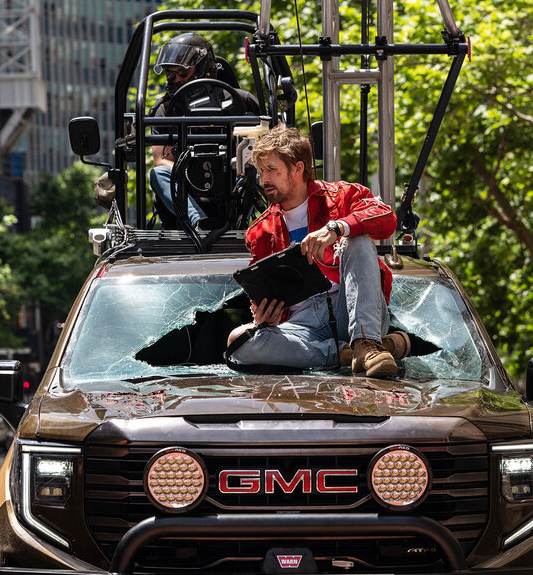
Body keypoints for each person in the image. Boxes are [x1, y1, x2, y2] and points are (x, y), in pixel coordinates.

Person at [227, 124, 408, 379]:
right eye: (260, 171)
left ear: (298, 169)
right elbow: (267, 295)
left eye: (271, 170)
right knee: (239, 342)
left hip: (353, 310)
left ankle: (366, 343)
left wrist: (338, 228)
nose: (263, 179)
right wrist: (265, 315)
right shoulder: (259, 230)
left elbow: (386, 218)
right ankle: (348, 353)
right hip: (302, 326)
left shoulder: (343, 196)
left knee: (358, 241)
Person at [148, 33, 261, 230]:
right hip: (187, 187)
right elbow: (160, 160)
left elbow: (269, 149)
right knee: (157, 173)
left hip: (235, 181)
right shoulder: (165, 109)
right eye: (170, 74)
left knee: (262, 169)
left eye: (182, 73)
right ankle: (199, 222)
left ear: (203, 69)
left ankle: (255, 219)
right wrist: (192, 168)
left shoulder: (241, 101)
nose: (175, 80)